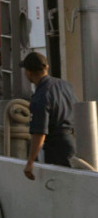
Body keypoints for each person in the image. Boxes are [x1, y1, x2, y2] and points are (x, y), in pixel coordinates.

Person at [20, 51, 78, 179]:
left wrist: (30, 162)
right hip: (76, 143)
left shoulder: (40, 97)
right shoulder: (65, 85)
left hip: (57, 149)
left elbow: (39, 133)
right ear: (46, 67)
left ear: (28, 72)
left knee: (61, 186)